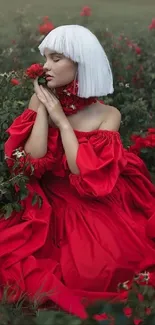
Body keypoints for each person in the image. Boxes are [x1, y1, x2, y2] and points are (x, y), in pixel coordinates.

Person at [1, 24, 155, 319]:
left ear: (81, 63)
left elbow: (82, 171)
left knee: (104, 267)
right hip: (53, 198)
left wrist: (62, 119)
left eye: (56, 59)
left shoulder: (108, 114)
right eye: (45, 58)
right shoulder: (41, 99)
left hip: (93, 197)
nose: (46, 66)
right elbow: (31, 162)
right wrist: (44, 109)